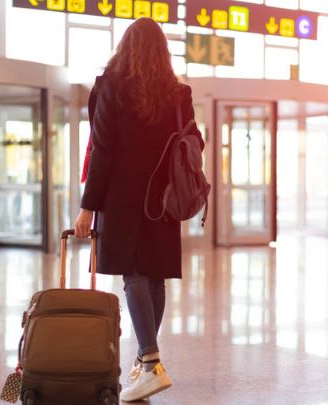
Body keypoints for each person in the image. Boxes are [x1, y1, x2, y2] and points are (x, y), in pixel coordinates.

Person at [74, 17, 204, 402]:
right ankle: (144, 363)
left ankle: (150, 363)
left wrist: (87, 207)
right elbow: (194, 140)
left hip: (122, 198)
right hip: (163, 197)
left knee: (133, 277)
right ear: (163, 53)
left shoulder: (110, 86)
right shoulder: (178, 93)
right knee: (154, 277)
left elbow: (103, 151)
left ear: (125, 47)